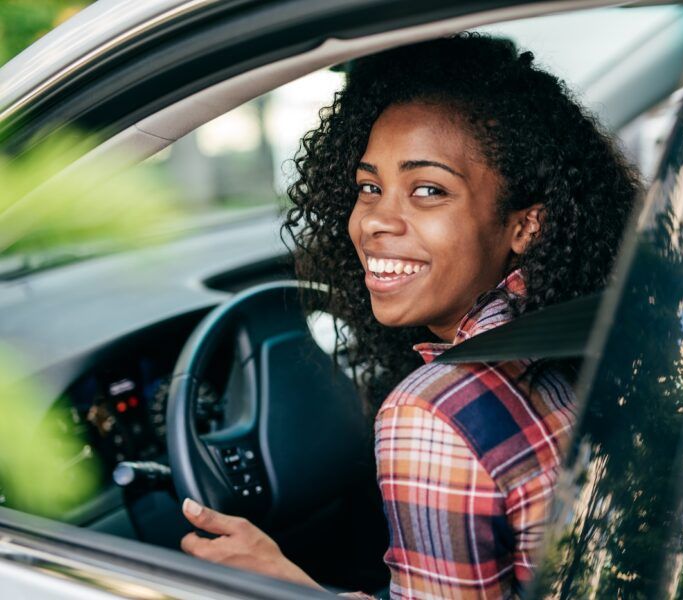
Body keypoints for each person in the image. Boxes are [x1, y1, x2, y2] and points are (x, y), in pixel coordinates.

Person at [178, 33, 641, 598]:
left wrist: (283, 586)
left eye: (427, 190)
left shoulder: (430, 416)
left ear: (525, 225)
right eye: (370, 187)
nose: (374, 220)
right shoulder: (588, 332)